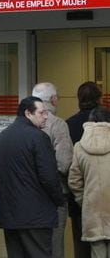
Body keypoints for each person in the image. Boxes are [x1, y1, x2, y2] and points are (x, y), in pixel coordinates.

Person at [0, 96, 65, 258]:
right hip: (36, 217)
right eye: (41, 112)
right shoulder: (39, 138)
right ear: (28, 113)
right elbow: (49, 177)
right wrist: (59, 199)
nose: (46, 116)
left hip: (9, 216)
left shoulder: (1, 138)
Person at [32, 82, 73, 258]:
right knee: (54, 246)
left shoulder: (25, 124)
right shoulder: (58, 125)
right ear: (53, 100)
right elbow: (64, 164)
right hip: (55, 195)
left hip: (31, 195)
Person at [68, 107, 110, 258]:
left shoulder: (79, 147)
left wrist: (83, 200)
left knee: (96, 253)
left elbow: (74, 180)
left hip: (92, 210)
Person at [66, 81, 102, 258]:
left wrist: (80, 198)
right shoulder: (108, 120)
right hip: (107, 199)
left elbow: (68, 166)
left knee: (82, 247)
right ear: (99, 99)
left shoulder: (69, 125)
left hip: (80, 201)